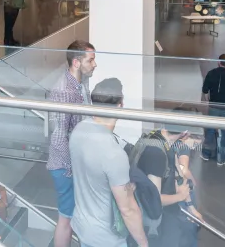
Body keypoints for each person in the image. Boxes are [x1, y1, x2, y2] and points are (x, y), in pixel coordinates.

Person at [70, 78, 149, 247]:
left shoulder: (78, 130)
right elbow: (127, 210)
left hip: (83, 228)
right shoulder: (113, 154)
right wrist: (144, 243)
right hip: (106, 239)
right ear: (120, 105)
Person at [46, 40, 96, 247]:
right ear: (76, 62)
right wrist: (71, 168)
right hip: (66, 168)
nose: (95, 64)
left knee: (72, 216)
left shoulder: (79, 84)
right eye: (90, 60)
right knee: (65, 219)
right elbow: (58, 138)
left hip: (74, 164)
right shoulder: (64, 91)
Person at [130, 128, 196, 247]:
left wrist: (191, 208)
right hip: (158, 222)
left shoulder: (161, 139)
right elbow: (155, 198)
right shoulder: (156, 153)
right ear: (185, 133)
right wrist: (180, 197)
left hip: (166, 214)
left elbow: (179, 177)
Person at [201, 54, 225, 165]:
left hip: (214, 106)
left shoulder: (212, 73)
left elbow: (205, 91)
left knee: (210, 130)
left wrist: (209, 101)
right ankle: (221, 158)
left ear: (219, 62)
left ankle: (206, 153)